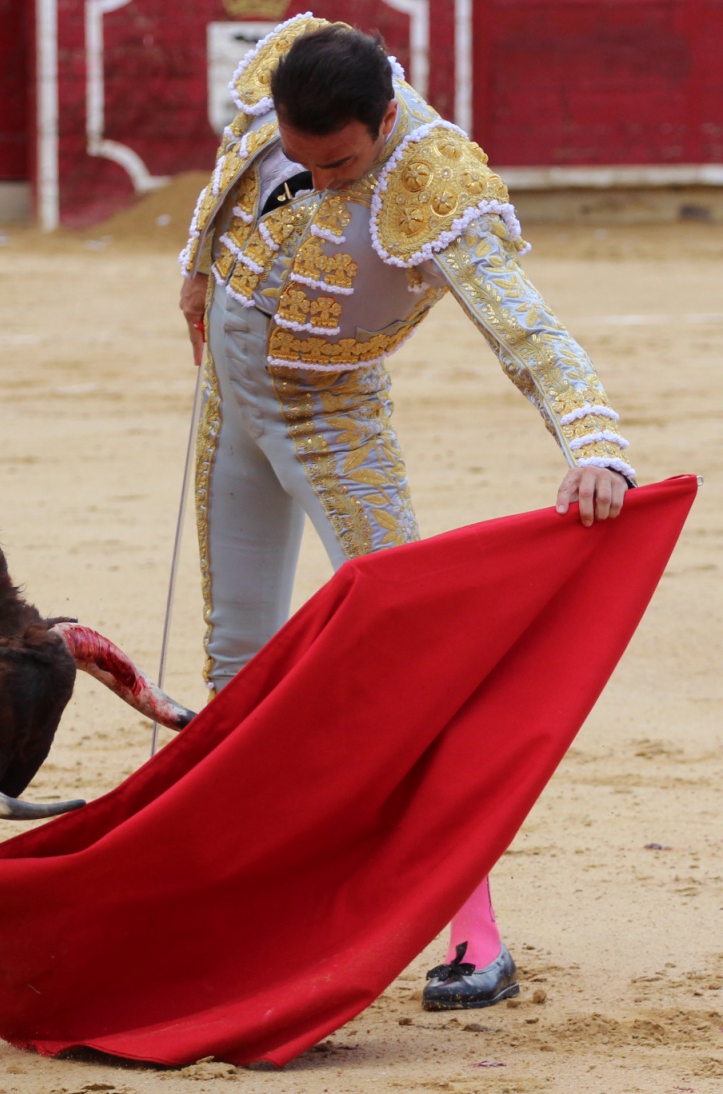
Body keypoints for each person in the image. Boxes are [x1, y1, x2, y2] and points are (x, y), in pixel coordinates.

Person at [177, 14, 633, 1011]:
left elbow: (526, 327)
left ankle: (477, 936)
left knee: (414, 668)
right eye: (304, 158)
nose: (321, 178)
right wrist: (196, 272)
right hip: (229, 401)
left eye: (339, 164)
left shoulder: (435, 182)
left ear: (384, 122)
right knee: (233, 660)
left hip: (330, 422)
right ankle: (229, 893)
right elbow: (232, 173)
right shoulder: (286, 73)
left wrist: (593, 441)